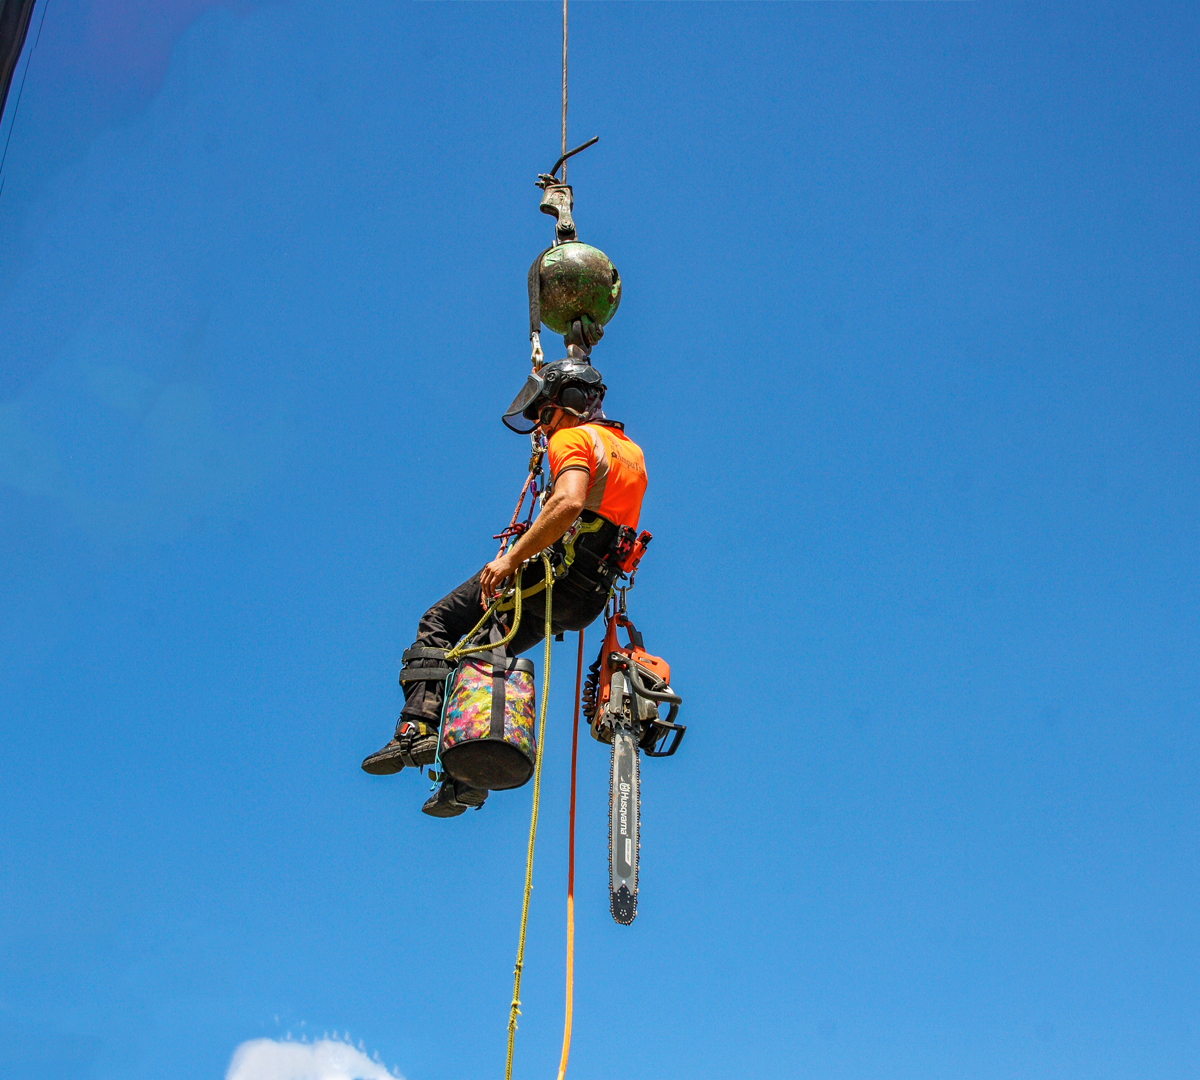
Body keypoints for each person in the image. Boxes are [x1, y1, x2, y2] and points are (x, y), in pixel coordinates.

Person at [361, 355, 648, 816]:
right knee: (484, 656)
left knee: (438, 620)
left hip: (548, 577)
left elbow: (571, 501)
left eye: (545, 414)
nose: (540, 427)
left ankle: (415, 729)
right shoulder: (630, 452)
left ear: (570, 403)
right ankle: (464, 783)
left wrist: (512, 558)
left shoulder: (572, 438)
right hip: (585, 597)